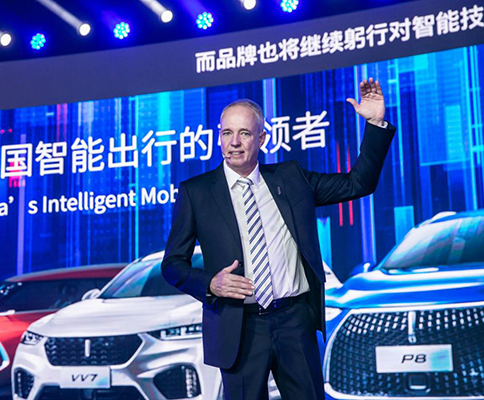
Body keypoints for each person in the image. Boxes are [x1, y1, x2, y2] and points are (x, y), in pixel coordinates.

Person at [161, 78, 395, 400]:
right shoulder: (196, 193)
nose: (234, 142)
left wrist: (375, 124)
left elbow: (359, 183)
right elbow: (173, 265)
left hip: (294, 322)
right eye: (226, 133)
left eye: (244, 133)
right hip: (239, 327)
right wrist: (211, 284)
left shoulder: (291, 178)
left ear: (262, 138)